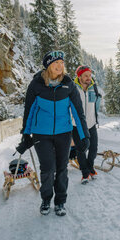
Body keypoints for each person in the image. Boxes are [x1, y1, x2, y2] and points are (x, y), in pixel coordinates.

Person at [17, 50, 89, 216]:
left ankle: (60, 202)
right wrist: (26, 134)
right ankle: (46, 199)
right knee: (48, 168)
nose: (60, 66)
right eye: (56, 63)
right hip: (41, 134)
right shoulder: (36, 85)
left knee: (62, 168)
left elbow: (78, 112)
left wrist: (84, 135)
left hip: (64, 133)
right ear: (48, 66)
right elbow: (29, 111)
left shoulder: (68, 84)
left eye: (62, 63)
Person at [73, 65, 102, 184]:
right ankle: (85, 173)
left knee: (93, 148)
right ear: (79, 76)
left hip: (91, 124)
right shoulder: (73, 88)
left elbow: (96, 103)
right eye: (85, 75)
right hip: (77, 125)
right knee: (81, 150)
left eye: (89, 75)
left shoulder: (93, 88)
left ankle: (90, 168)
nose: (88, 78)